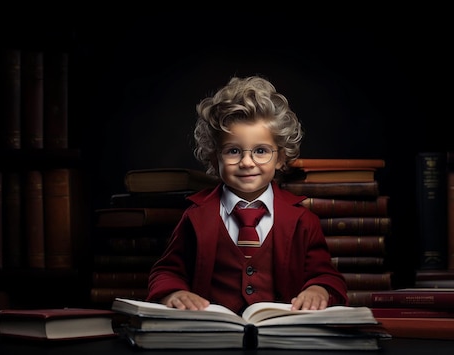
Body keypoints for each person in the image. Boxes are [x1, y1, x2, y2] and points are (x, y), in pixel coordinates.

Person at [146, 75, 348, 314]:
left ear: (281, 157)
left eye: (261, 151)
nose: (247, 162)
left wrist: (319, 289)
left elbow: (326, 274)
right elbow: (167, 271)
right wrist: (174, 292)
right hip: (213, 333)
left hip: (280, 335)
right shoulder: (195, 216)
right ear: (214, 156)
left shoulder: (303, 220)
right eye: (233, 151)